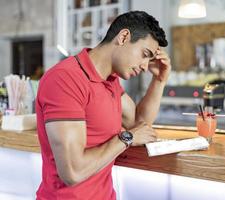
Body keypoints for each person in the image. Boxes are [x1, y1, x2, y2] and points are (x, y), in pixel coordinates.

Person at [36, 10, 170, 200]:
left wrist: (159, 81)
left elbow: (139, 124)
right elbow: (73, 172)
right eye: (144, 54)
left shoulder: (110, 81)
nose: (145, 67)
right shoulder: (65, 79)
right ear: (123, 37)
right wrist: (126, 138)